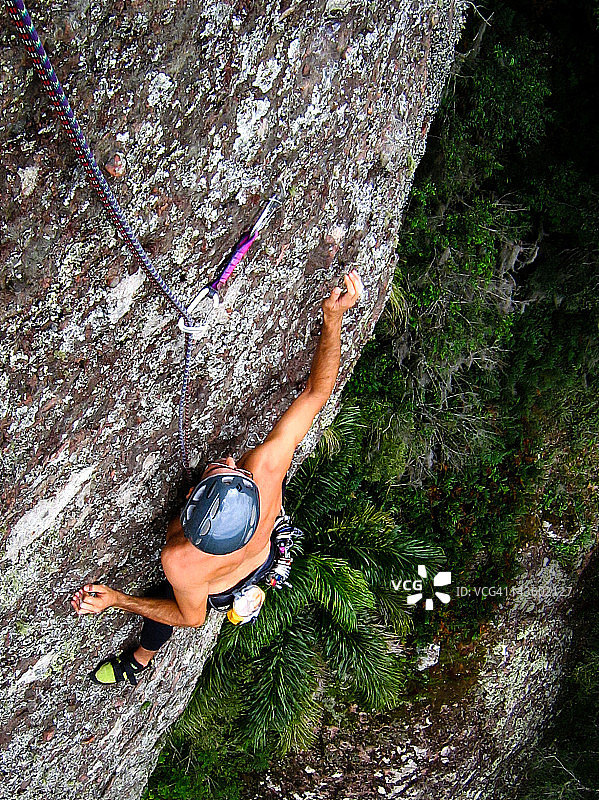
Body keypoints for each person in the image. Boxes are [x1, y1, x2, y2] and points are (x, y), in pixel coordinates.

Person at [71, 270, 363, 685]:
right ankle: (144, 658)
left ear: (191, 498)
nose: (228, 458)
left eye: (227, 469)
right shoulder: (263, 470)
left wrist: (119, 600)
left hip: (227, 580)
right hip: (267, 551)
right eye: (231, 468)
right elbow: (317, 394)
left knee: (170, 592)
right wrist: (332, 319)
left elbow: (191, 617)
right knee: (184, 585)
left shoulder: (181, 561)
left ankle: (139, 660)